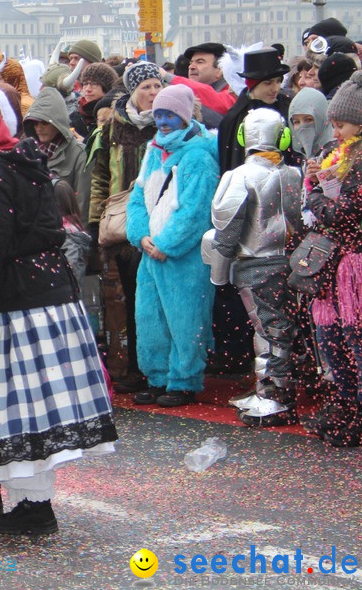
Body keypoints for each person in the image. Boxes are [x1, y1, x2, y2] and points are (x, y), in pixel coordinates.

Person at [0, 106, 115, 536]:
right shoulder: (9, 165)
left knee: (19, 412)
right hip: (28, 299)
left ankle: (33, 506)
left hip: (17, 305)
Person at [204, 108, 302, 427]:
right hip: (291, 263)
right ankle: (268, 388)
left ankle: (275, 395)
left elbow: (226, 231)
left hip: (256, 264)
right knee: (275, 329)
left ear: (245, 137)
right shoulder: (295, 174)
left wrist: (218, 276)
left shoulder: (240, 176)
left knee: (270, 332)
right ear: (282, 136)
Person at [126, 85, 219, 408]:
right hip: (151, 254)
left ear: (183, 116)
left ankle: (184, 380)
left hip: (183, 258)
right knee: (149, 317)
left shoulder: (199, 157)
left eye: (169, 115)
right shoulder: (153, 151)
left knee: (185, 319)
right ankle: (157, 376)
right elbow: (136, 198)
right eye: (159, 115)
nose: (163, 122)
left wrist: (167, 244)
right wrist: (140, 236)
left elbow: (196, 210)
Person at [86, 61, 162, 393]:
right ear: (132, 91)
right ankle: (129, 366)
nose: (153, 93)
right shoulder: (111, 129)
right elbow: (100, 178)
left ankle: (155, 366)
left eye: (157, 85)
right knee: (127, 300)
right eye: (145, 87)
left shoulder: (171, 124)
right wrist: (95, 223)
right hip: (123, 228)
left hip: (161, 223)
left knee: (156, 300)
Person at [301, 71, 362, 447]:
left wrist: (316, 196)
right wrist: (314, 182)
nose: (334, 132)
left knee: (353, 341)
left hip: (354, 265)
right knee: (332, 339)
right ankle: (346, 405)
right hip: (335, 265)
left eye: (340, 125)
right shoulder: (336, 155)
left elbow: (344, 214)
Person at [218, 48, 292, 175]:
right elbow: (230, 162)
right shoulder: (233, 119)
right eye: (268, 83)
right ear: (252, 84)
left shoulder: (288, 108)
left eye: (278, 81)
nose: (275, 88)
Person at [22, 87, 89, 215]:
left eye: (44, 123)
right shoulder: (29, 153)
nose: (39, 128)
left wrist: (79, 232)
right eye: (35, 123)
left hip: (67, 229)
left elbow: (83, 201)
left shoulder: (79, 153)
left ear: (58, 123)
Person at [161, 43, 237, 128]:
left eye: (200, 62)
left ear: (219, 70)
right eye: (191, 63)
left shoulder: (234, 92)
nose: (191, 67)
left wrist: (167, 76)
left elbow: (213, 98)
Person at [289, 87, 335, 159]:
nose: (302, 126)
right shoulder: (304, 155)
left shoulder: (337, 153)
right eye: (296, 122)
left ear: (322, 118)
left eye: (308, 120)